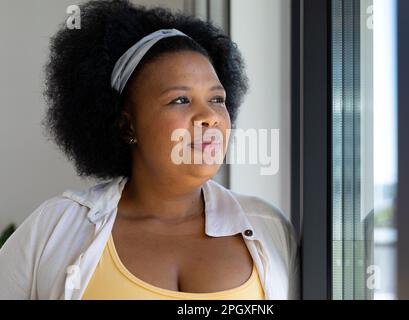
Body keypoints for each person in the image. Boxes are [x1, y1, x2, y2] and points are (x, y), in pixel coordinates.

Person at [0, 0, 299, 300]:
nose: (209, 116)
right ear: (126, 125)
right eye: (180, 100)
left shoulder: (270, 228)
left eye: (217, 99)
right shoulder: (54, 229)